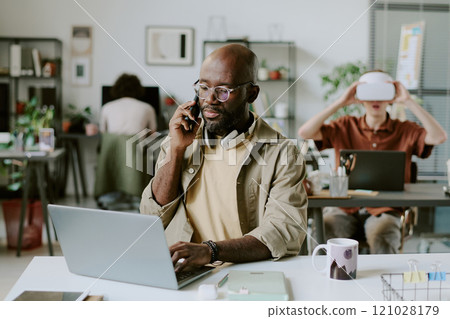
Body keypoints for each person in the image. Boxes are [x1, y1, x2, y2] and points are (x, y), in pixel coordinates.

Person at [140, 44, 307, 272]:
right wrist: (176, 150)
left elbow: (283, 231)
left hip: (245, 272)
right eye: (203, 87)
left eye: (224, 90)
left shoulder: (283, 152)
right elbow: (152, 215)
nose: (210, 100)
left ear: (252, 94)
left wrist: (210, 251)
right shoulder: (180, 139)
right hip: (182, 271)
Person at [298, 70, 447, 254]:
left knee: (383, 233)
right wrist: (341, 102)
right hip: (344, 207)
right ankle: (329, 277)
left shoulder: (405, 130)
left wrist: (408, 101)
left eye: (382, 94)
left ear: (390, 98)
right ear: (360, 97)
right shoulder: (345, 125)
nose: (375, 101)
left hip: (386, 209)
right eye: (369, 94)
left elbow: (439, 137)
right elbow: (305, 133)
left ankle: (382, 282)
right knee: (327, 227)